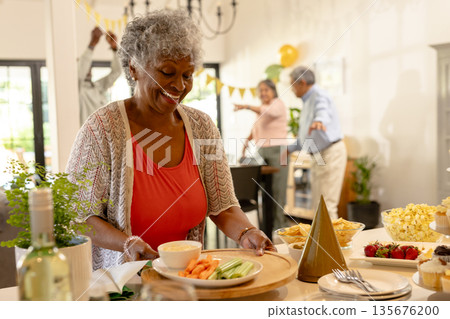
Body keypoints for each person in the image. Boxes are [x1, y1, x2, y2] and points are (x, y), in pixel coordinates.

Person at [67, 9, 276, 270]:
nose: (180, 85)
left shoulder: (202, 127)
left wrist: (247, 233)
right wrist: (127, 243)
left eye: (187, 75)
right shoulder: (101, 129)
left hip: (186, 281)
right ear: (134, 68)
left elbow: (223, 206)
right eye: (167, 72)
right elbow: (78, 216)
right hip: (122, 287)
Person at [288, 67, 346, 220]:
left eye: (292, 85)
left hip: (330, 152)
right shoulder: (307, 101)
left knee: (327, 205)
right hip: (318, 155)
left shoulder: (319, 95)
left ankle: (331, 244)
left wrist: (319, 120)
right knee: (318, 206)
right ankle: (321, 243)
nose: (292, 90)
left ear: (302, 82)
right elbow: (305, 138)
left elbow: (323, 111)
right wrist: (289, 148)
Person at [234, 80, 289, 230]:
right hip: (261, 150)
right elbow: (256, 128)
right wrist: (246, 143)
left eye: (266, 90)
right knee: (264, 190)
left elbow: (268, 112)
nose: (263, 93)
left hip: (278, 150)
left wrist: (246, 106)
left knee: (278, 190)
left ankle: (280, 226)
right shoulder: (261, 109)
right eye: (261, 90)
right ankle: (267, 226)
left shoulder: (277, 104)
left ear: (273, 91)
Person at [78, 27, 122, 125]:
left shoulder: (98, 86)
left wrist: (114, 47)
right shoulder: (79, 89)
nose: (88, 68)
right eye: (85, 65)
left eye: (89, 66)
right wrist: (92, 44)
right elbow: (81, 71)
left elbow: (117, 72)